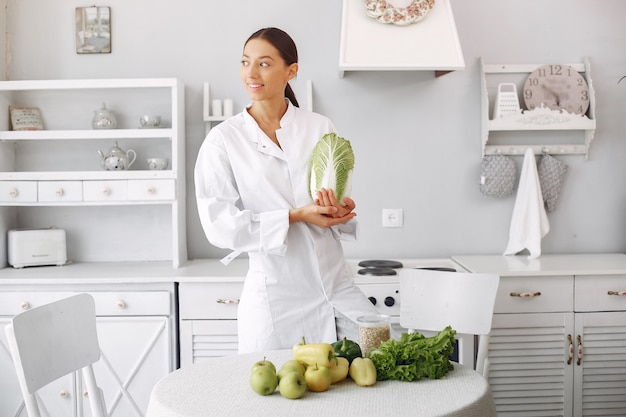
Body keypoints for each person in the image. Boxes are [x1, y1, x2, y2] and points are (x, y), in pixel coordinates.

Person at [194, 27, 378, 353]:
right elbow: (219, 226)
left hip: (334, 288)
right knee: (277, 397)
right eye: (245, 62)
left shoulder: (319, 127)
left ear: (290, 70)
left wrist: (337, 212)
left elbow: (335, 199)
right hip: (275, 299)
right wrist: (295, 216)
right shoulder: (223, 140)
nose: (250, 73)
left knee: (368, 372)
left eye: (264, 63)